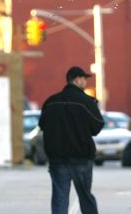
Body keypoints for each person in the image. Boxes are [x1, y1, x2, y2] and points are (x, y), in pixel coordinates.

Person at [38, 66, 105, 214]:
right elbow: (97, 126)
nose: (85, 82)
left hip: (57, 158)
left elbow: (42, 125)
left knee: (60, 197)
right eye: (84, 79)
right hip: (81, 157)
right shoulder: (86, 102)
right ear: (77, 80)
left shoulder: (50, 102)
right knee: (85, 196)